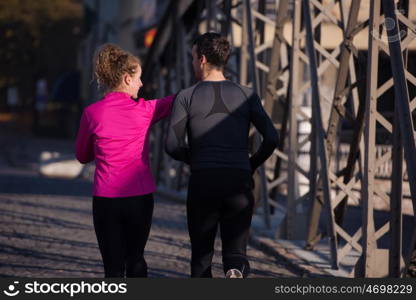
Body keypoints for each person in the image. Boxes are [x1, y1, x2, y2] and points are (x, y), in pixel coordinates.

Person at [165, 32, 278, 278]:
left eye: (193, 58)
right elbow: (272, 138)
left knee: (201, 256)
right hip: (238, 179)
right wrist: (251, 164)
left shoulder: (186, 96)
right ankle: (235, 270)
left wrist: (194, 158)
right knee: (236, 251)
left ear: (202, 59)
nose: (193, 63)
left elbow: (172, 145)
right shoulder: (247, 95)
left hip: (203, 181)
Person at [75, 43, 174, 277]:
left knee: (113, 267)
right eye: (139, 78)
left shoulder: (92, 113)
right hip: (139, 197)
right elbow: (180, 100)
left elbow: (82, 156)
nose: (141, 83)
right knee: (136, 258)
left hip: (106, 199)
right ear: (128, 79)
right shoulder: (147, 109)